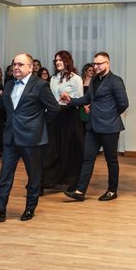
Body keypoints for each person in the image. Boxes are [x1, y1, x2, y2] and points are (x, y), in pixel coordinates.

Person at [0, 53, 60, 222]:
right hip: (11, 137)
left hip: (31, 138)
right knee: (5, 175)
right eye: (14, 64)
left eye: (20, 64)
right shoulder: (9, 84)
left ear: (30, 67)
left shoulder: (40, 85)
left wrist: (38, 124)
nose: (16, 67)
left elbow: (54, 108)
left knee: (34, 175)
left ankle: (30, 208)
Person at [61, 51, 129, 202]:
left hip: (110, 127)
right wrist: (70, 101)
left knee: (111, 160)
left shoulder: (116, 80)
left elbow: (124, 103)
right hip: (93, 126)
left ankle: (112, 191)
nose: (96, 66)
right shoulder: (94, 80)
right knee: (87, 158)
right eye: (94, 63)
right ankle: (80, 191)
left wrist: (110, 116)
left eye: (99, 64)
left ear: (107, 63)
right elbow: (87, 98)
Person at [42, 51, 84, 191]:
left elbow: (80, 100)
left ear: (67, 61)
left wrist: (69, 99)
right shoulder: (53, 78)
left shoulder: (75, 78)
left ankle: (70, 180)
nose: (58, 62)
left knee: (69, 148)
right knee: (52, 149)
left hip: (69, 115)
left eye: (61, 60)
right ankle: (50, 179)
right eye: (56, 60)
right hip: (55, 115)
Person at [79, 63, 94, 133]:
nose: (92, 72)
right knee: (82, 128)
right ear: (85, 72)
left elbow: (95, 95)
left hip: (92, 107)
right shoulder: (80, 82)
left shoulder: (95, 82)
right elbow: (79, 95)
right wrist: (84, 106)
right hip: (81, 106)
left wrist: (89, 106)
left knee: (91, 128)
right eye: (89, 70)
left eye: (93, 70)